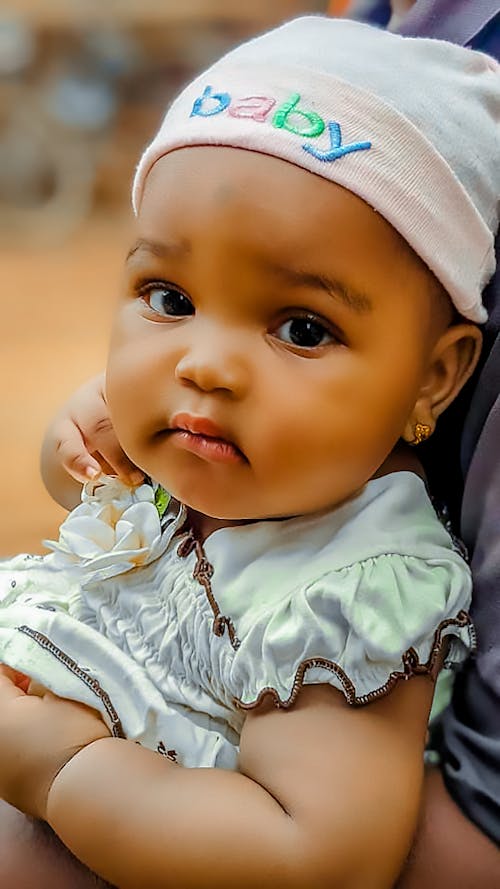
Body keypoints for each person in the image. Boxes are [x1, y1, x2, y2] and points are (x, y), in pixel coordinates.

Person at [0, 15, 498, 889]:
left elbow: (320, 857)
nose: (204, 363)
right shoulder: (228, 455)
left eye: (302, 328)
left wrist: (62, 771)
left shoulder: (348, 588)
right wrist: (73, 445)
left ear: (435, 377)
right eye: (169, 295)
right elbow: (90, 503)